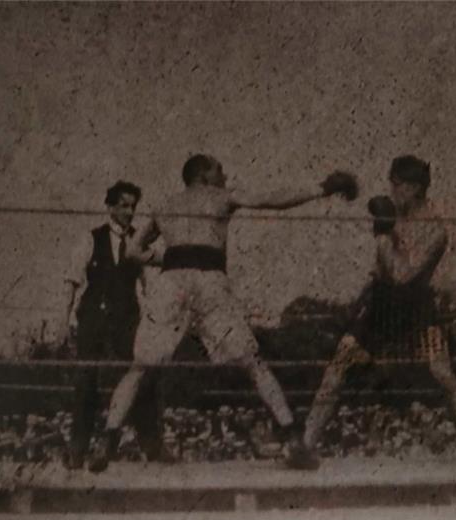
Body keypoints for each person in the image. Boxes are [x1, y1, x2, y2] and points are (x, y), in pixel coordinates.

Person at [91, 155, 358, 472]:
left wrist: (166, 256)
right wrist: (322, 188)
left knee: (139, 367)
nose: (224, 174)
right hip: (210, 282)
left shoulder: (165, 204)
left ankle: (107, 439)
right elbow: (272, 200)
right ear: (203, 174)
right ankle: (292, 439)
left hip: (171, 282)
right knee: (253, 362)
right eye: (218, 169)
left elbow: (133, 251)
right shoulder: (220, 196)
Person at [303, 155, 456, 465]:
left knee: (441, 372)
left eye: (397, 184)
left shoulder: (434, 230)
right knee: (337, 369)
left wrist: (383, 235)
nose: (391, 190)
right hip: (380, 307)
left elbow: (403, 275)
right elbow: (380, 272)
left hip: (414, 307)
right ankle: (306, 444)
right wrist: (360, 299)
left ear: (415, 188)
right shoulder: (393, 218)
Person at [58, 180, 161, 470]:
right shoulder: (90, 239)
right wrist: (62, 321)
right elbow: (72, 280)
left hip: (126, 318)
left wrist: (154, 321)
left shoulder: (139, 242)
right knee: (86, 380)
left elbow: (149, 285)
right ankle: (77, 449)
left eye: (133, 207)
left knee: (141, 375)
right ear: (111, 207)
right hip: (92, 315)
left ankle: (153, 447)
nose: (129, 212)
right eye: (124, 206)